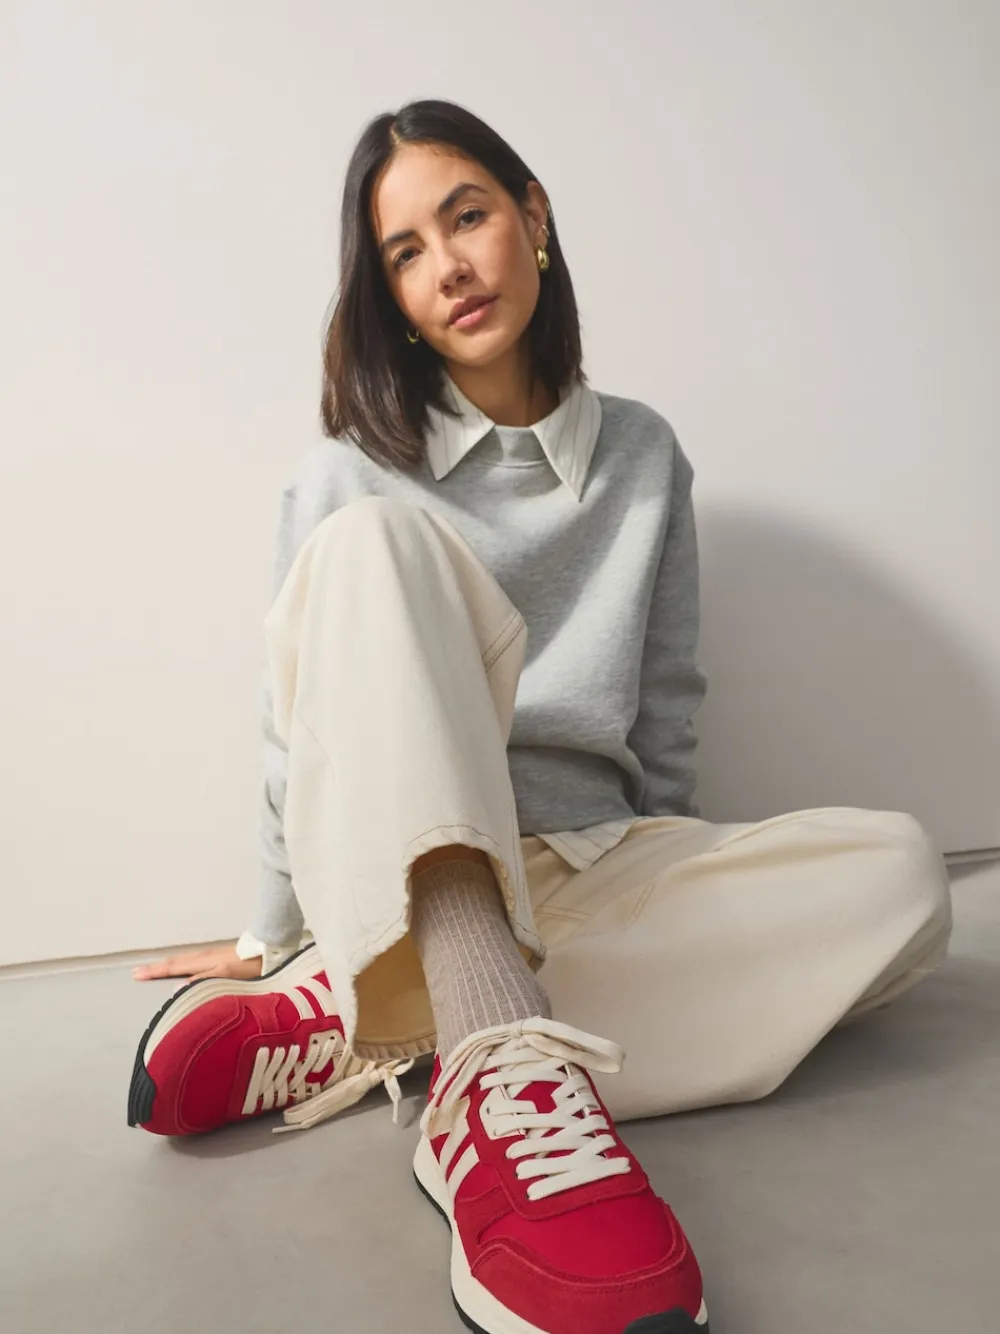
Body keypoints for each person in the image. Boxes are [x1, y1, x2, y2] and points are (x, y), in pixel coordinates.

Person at [127, 99, 952, 1334]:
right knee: (377, 544)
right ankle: (482, 1053)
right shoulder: (347, 472)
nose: (448, 267)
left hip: (588, 862)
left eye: (466, 217)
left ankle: (389, 1018)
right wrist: (268, 925)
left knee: (902, 872)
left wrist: (676, 875)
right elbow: (292, 728)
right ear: (390, 295)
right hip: (414, 866)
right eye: (405, 253)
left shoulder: (644, 453)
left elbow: (664, 702)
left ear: (533, 216)